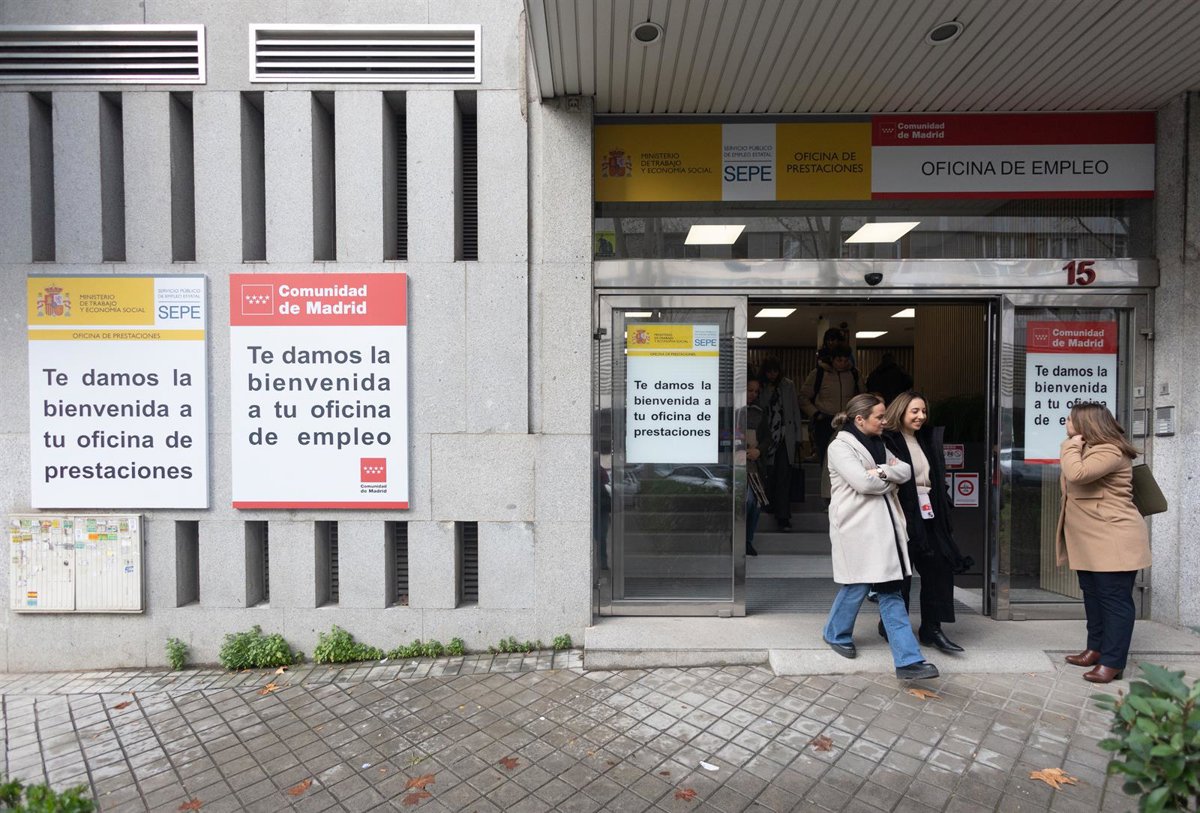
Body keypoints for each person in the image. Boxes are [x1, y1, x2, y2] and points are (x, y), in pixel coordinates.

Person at [821, 393, 939, 680]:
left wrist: (882, 472)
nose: (885, 421)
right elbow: (863, 483)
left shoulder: (880, 444)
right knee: (858, 585)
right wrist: (889, 481)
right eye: (880, 417)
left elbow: (905, 470)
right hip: (857, 529)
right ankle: (835, 633)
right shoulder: (840, 446)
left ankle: (908, 661)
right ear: (860, 419)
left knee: (889, 590)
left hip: (884, 529)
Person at [1057, 403, 1151, 683]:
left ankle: (1112, 662)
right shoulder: (1088, 448)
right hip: (1090, 538)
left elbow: (1077, 474)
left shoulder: (1110, 450)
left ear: (1085, 423)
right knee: (1093, 595)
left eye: (1070, 419)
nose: (1066, 422)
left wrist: (1070, 445)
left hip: (1113, 537)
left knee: (1114, 600)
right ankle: (1095, 648)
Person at [883, 391, 971, 653]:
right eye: (915, 411)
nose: (921, 416)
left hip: (930, 509)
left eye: (923, 411)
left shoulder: (927, 438)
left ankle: (931, 629)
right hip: (902, 511)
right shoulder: (887, 440)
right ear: (900, 411)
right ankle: (893, 626)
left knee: (939, 567)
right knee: (902, 573)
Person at [800, 345, 865, 469]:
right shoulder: (819, 373)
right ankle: (827, 482)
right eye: (839, 360)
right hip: (825, 420)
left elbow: (862, 396)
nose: (843, 364)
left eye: (846, 360)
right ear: (832, 359)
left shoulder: (854, 373)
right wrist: (816, 414)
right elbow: (803, 397)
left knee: (849, 458)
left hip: (847, 421)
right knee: (826, 459)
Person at [759, 357, 802, 531]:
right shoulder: (761, 386)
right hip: (766, 435)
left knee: (784, 475)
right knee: (768, 474)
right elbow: (760, 406)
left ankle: (783, 516)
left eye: (775, 371)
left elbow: (794, 410)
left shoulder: (787, 385)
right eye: (769, 371)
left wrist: (798, 437)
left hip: (785, 435)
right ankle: (770, 505)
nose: (772, 375)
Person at [745, 375, 769, 556]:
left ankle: (747, 540)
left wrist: (759, 451)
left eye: (756, 391)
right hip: (734, 461)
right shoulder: (728, 410)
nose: (753, 394)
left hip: (753, 463)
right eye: (749, 390)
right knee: (747, 501)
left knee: (755, 502)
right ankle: (741, 539)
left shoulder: (759, 412)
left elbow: (767, 437)